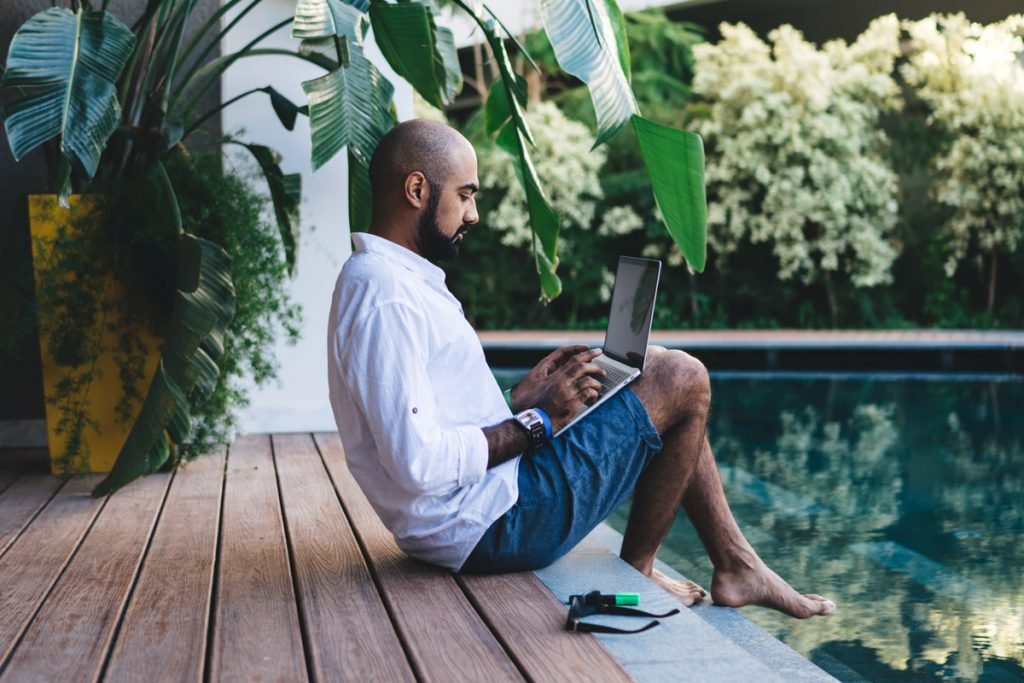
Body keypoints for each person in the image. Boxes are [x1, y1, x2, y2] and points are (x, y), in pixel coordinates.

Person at [327, 119, 835, 618]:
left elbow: (429, 422)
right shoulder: (386, 296)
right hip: (490, 526)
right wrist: (541, 419)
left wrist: (518, 400)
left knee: (652, 364)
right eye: (465, 195)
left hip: (484, 505)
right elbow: (418, 464)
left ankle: (734, 565)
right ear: (417, 189)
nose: (474, 214)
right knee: (684, 379)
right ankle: (649, 568)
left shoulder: (393, 280)